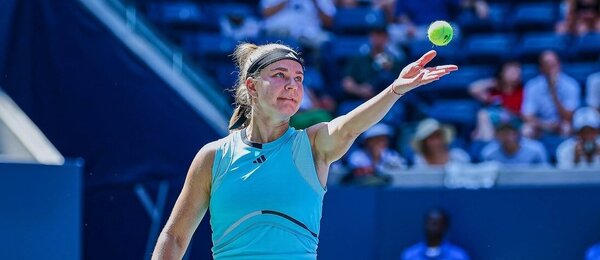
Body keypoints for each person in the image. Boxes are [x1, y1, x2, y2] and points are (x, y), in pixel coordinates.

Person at [151, 43, 457, 259]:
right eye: (280, 75)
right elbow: (174, 237)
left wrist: (395, 89)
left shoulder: (312, 145)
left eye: (298, 78)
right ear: (252, 86)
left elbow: (351, 126)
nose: (292, 84)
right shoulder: (213, 157)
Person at [521, 50, 580, 138]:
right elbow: (527, 115)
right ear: (541, 68)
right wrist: (544, 124)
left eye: (553, 64)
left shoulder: (571, 85)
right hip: (540, 124)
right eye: (547, 64)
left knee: (567, 128)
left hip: (562, 123)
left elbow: (568, 116)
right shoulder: (532, 86)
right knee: (526, 130)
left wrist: (553, 92)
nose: (551, 67)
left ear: (559, 65)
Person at [470, 61, 524, 141]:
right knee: (482, 115)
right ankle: (489, 145)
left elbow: (526, 114)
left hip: (516, 124)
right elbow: (473, 89)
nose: (515, 73)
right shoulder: (495, 91)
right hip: (495, 127)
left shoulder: (523, 91)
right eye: (511, 71)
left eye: (517, 71)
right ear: (502, 73)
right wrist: (494, 82)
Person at [260, 0, 336, 49]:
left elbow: (328, 22)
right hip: (280, 32)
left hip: (309, 35)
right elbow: (266, 12)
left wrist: (315, 2)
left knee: (328, 41)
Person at [400, 208, 470, 260]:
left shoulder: (458, 256)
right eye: (430, 223)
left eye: (436, 224)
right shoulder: (410, 255)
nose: (432, 227)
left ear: (445, 227)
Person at [481, 122, 548, 166]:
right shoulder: (489, 153)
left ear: (517, 135)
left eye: (508, 134)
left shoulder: (536, 149)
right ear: (496, 137)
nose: (506, 138)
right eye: (502, 134)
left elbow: (545, 173)